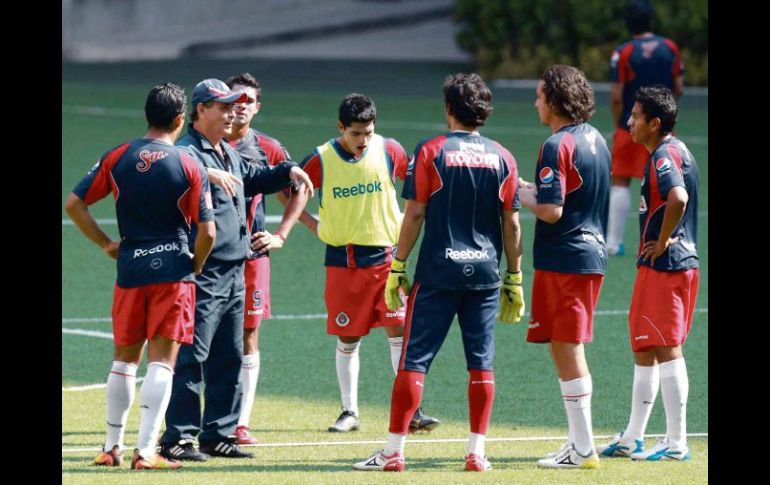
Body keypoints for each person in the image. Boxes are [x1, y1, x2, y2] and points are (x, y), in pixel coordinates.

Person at [353, 73, 524, 473]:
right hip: (484, 275)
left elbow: (414, 212)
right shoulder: (504, 156)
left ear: (449, 109)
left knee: (414, 361)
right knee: (481, 364)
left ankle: (393, 452)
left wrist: (398, 263)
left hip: (438, 273)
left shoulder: (431, 151)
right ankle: (476, 453)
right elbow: (512, 223)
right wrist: (514, 275)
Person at [159, 78, 312, 462]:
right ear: (201, 111)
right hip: (204, 270)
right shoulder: (189, 150)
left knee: (228, 356)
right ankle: (178, 437)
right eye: (224, 107)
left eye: (234, 107)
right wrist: (206, 174)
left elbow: (256, 175)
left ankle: (219, 433)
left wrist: (289, 170)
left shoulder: (225, 150)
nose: (232, 114)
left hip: (235, 268)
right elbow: (174, 166)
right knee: (194, 355)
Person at [65, 83, 216, 470]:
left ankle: (110, 447)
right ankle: (146, 452)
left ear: (147, 114)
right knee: (162, 363)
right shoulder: (189, 163)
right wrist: (195, 265)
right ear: (181, 120)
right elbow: (208, 231)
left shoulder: (117, 156)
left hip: (130, 268)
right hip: (173, 273)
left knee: (123, 362)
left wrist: (105, 244)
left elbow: (74, 203)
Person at [297, 93, 440, 434]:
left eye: (368, 133)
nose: (363, 141)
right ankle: (349, 411)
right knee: (348, 337)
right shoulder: (320, 159)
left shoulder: (389, 149)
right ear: (341, 128)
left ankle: (413, 411)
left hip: (388, 261)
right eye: (355, 133)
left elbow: (415, 182)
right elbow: (291, 191)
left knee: (399, 331)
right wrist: (312, 224)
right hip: (343, 262)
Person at [596, 85, 698, 462]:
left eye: (636, 117)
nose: (629, 122)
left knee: (668, 348)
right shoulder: (670, 151)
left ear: (654, 123)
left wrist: (665, 237)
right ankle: (633, 437)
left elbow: (679, 197)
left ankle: (676, 443)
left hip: (668, 267)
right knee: (644, 345)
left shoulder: (665, 156)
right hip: (656, 266)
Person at [517, 65, 610, 470]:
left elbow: (552, 211)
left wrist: (520, 194)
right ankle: (578, 443)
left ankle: (584, 449)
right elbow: (571, 198)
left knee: (568, 346)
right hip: (588, 254)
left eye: (539, 95)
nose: (535, 102)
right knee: (562, 344)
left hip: (566, 259)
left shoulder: (555, 145)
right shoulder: (597, 140)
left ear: (554, 99)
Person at [224, 72, 308, 445]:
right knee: (198, 335)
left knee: (248, 335)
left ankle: (240, 423)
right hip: (208, 257)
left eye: (248, 101)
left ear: (258, 107)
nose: (241, 106)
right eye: (235, 99)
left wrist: (281, 234)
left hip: (252, 256)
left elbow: (298, 188)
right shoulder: (204, 143)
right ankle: (198, 418)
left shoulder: (268, 148)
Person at [606, 0, 684, 256]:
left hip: (631, 126)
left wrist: (621, 122)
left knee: (620, 180)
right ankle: (669, 237)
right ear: (651, 21)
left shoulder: (623, 52)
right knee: (667, 182)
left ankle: (613, 242)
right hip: (662, 128)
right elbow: (679, 88)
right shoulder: (670, 48)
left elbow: (616, 95)